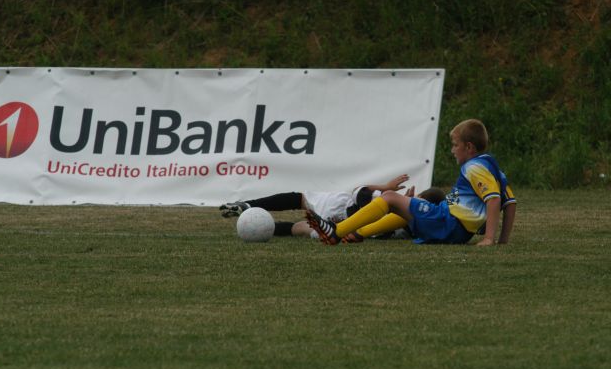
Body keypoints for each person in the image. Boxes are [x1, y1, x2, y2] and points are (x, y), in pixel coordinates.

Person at [307, 119, 516, 246]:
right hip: (452, 226)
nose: (453, 150)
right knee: (407, 206)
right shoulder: (495, 169)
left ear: (469, 147)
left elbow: (493, 200)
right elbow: (510, 203)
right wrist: (503, 239)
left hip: (447, 223)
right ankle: (356, 233)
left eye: (455, 145)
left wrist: (489, 238)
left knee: (390, 197)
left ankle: (337, 231)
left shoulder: (474, 167)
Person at [219, 174, 411, 237]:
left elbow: (360, 191)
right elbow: (360, 192)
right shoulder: (404, 228)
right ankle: (258, 223)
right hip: (341, 225)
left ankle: (249, 208)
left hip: (338, 211)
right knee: (301, 227)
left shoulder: (392, 204)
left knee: (300, 200)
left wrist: (386, 188)